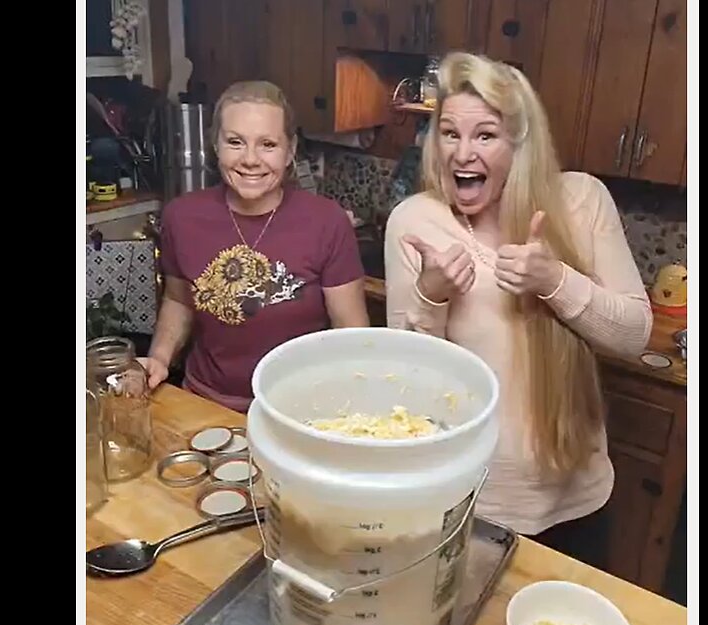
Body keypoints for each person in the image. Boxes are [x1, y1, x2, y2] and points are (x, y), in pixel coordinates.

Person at [383, 52, 652, 562]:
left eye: (485, 135)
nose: (463, 154)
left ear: (519, 142)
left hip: (580, 494)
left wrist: (555, 280)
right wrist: (431, 294)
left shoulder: (582, 201)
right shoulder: (415, 223)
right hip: (473, 500)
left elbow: (635, 335)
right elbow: (407, 387)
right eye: (449, 133)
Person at [140, 80, 369, 412]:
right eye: (235, 142)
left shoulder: (326, 222)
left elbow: (351, 333)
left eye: (268, 144)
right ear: (215, 145)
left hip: (300, 409)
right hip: (205, 403)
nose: (250, 159)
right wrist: (159, 357)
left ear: (290, 151)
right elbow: (179, 300)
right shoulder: (181, 217)